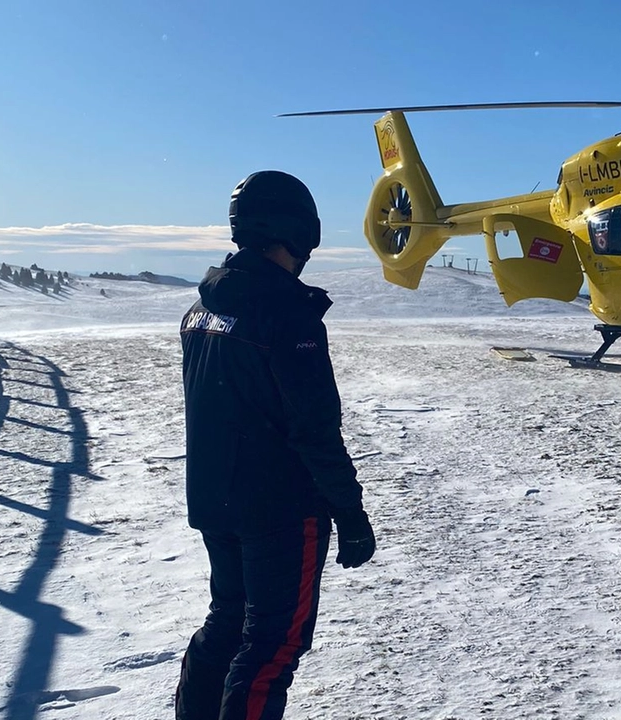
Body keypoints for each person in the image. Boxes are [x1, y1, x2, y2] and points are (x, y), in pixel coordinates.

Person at [175, 170, 376, 720]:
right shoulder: (286, 312)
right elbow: (314, 428)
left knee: (228, 625)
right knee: (271, 646)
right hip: (280, 509)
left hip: (217, 498)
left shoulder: (204, 308)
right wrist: (350, 513)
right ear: (297, 229)